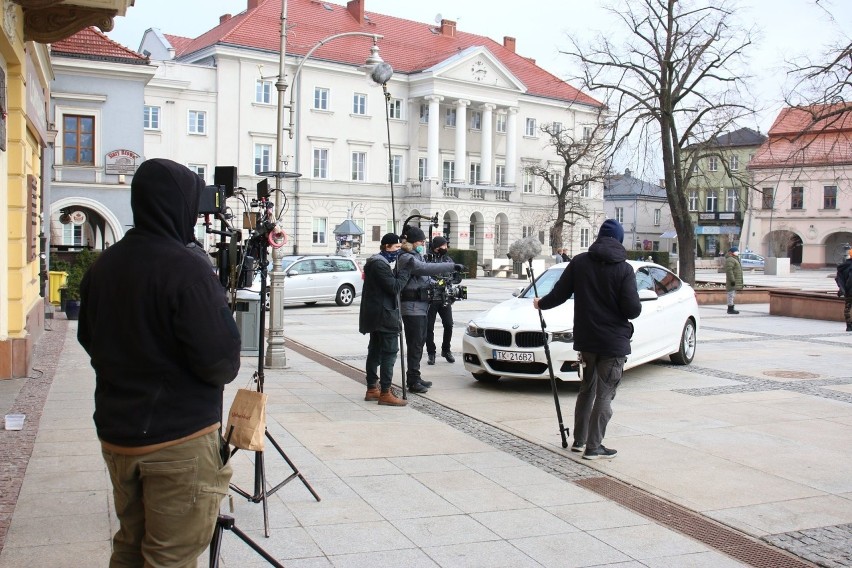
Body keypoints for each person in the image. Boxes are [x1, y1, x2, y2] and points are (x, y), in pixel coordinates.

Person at [77, 158, 242, 567]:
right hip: (178, 440)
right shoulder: (186, 269)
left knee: (131, 545)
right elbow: (221, 362)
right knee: (170, 556)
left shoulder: (104, 265)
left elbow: (88, 337)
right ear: (179, 206)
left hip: (119, 435)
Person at [533, 219, 641, 460]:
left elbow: (559, 293)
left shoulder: (580, 262)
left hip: (587, 340)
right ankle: (594, 446)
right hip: (612, 343)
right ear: (620, 240)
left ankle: (579, 440)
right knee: (604, 394)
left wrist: (541, 303)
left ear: (599, 237)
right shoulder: (624, 269)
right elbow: (633, 310)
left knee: (586, 389)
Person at [397, 225, 461, 393]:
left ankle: (415, 376)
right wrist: (451, 266)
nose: (423, 244)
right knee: (415, 344)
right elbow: (424, 269)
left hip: (421, 306)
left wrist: (441, 285)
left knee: (419, 342)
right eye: (420, 241)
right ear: (412, 242)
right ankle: (412, 380)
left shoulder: (416, 255)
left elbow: (425, 279)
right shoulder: (406, 257)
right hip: (412, 308)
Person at [359, 233, 412, 406]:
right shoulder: (379, 265)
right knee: (389, 352)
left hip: (376, 315)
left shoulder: (375, 262)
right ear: (387, 246)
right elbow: (394, 287)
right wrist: (406, 271)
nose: (398, 251)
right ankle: (385, 392)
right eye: (396, 248)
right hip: (384, 316)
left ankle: (372, 388)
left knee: (375, 351)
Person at [424, 235, 456, 365]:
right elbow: (425, 276)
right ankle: (431, 353)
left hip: (445, 298)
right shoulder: (427, 259)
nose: (446, 247)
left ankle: (446, 350)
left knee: (448, 324)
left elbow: (454, 276)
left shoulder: (448, 259)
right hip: (431, 298)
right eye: (444, 245)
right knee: (428, 327)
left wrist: (454, 278)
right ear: (437, 247)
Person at [835, 248, 852, 332]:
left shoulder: (843, 266)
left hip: (847, 291)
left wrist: (842, 289)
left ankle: (849, 325)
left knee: (848, 308)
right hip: (850, 289)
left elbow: (838, 279)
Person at [725, 246, 744, 314]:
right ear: (731, 252)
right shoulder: (730, 259)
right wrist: (732, 280)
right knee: (731, 294)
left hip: (734, 280)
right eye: (736, 251)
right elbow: (729, 271)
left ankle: (731, 308)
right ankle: (730, 309)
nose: (737, 252)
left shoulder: (735, 259)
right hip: (732, 281)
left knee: (732, 294)